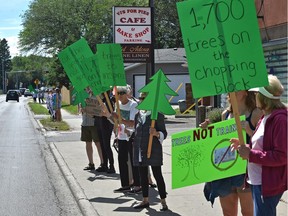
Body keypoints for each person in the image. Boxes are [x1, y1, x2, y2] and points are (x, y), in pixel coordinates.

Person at [230, 75, 287, 216]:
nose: (254, 96)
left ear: (264, 97)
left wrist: (250, 154)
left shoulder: (280, 120)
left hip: (267, 183)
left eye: (256, 94)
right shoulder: (265, 116)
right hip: (258, 181)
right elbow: (263, 146)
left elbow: (281, 156)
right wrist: (247, 147)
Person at [202, 90, 262, 216]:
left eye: (236, 88)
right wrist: (209, 131)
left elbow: (262, 142)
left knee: (248, 212)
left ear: (246, 92)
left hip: (246, 170)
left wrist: (248, 130)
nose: (232, 91)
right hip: (227, 169)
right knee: (228, 212)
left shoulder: (256, 113)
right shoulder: (226, 114)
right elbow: (222, 141)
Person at [133, 92, 168, 211]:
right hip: (140, 149)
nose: (141, 101)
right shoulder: (138, 115)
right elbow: (136, 131)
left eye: (144, 98)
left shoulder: (157, 115)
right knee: (143, 175)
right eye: (140, 99)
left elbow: (164, 133)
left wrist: (157, 133)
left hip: (154, 149)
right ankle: (145, 199)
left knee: (157, 175)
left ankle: (163, 201)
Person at [110, 86, 141, 193]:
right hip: (121, 136)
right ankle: (125, 184)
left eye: (119, 95)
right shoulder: (117, 105)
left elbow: (132, 123)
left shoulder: (133, 105)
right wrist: (116, 133)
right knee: (122, 160)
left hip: (132, 135)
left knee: (133, 161)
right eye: (116, 95)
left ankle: (137, 184)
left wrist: (120, 119)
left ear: (124, 94)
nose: (118, 97)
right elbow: (117, 122)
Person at [79, 96, 103, 171]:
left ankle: (102, 163)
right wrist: (81, 109)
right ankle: (91, 163)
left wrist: (88, 111)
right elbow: (80, 111)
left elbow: (97, 112)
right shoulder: (82, 98)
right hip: (85, 123)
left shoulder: (96, 97)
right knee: (88, 143)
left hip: (94, 124)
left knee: (98, 143)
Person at [94, 91, 116, 174]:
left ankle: (111, 166)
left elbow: (110, 114)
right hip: (99, 124)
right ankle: (104, 164)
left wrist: (103, 114)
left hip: (106, 125)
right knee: (102, 145)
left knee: (106, 145)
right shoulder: (100, 101)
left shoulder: (108, 101)